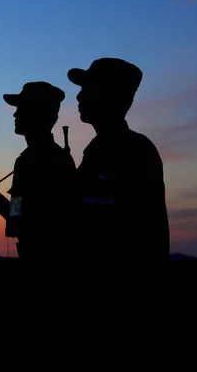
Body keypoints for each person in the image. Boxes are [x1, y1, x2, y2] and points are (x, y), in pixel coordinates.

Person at [67, 57, 170, 263]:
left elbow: (144, 233)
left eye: (87, 88)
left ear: (108, 94)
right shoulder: (97, 149)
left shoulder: (136, 151)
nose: (79, 96)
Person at [0, 81, 76, 262]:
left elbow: (42, 224)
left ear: (36, 114)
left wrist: (4, 208)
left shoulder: (35, 160)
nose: (15, 113)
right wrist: (6, 210)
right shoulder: (30, 159)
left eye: (21, 108)